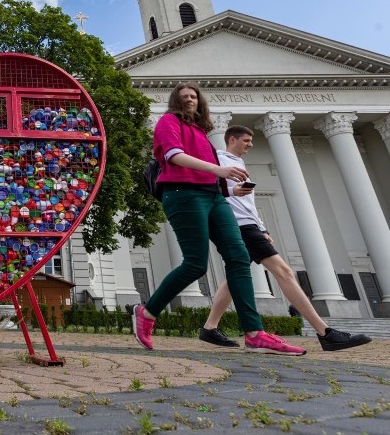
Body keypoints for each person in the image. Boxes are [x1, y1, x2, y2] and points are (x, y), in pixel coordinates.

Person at [133, 82, 306, 355]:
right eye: (184, 97)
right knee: (195, 264)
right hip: (183, 195)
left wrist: (230, 188)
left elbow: (213, 175)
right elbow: (173, 156)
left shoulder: (201, 132)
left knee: (238, 256)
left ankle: (254, 333)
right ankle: (148, 312)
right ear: (176, 102)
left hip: (214, 197)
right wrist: (219, 169)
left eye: (194, 96)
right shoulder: (168, 121)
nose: (190, 100)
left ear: (200, 102)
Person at [199, 125, 372, 352]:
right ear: (232, 139)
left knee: (234, 275)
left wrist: (262, 228)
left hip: (250, 226)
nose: (251, 144)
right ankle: (325, 333)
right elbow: (214, 192)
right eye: (246, 140)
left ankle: (209, 328)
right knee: (284, 272)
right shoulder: (219, 161)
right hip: (239, 226)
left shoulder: (239, 163)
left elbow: (248, 204)